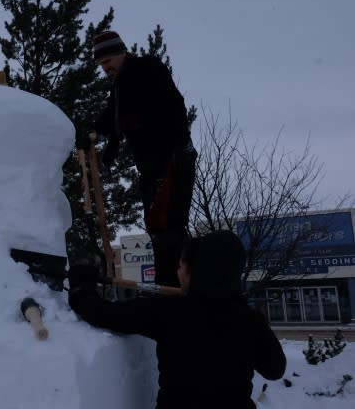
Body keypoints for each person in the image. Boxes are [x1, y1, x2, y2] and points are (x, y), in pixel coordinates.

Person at [68, 230, 287, 409]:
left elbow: (104, 314)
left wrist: (82, 287)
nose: (178, 272)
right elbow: (275, 369)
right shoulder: (249, 321)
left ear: (196, 271)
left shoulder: (169, 312)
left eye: (181, 267)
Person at [84, 30, 197, 288]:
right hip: (152, 165)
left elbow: (173, 108)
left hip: (171, 160)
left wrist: (171, 146)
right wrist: (91, 129)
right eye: (101, 64)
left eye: (107, 61)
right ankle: (172, 286)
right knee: (160, 230)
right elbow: (111, 116)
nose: (104, 68)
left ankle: (173, 289)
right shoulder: (123, 83)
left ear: (120, 53)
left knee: (168, 230)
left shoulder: (148, 69)